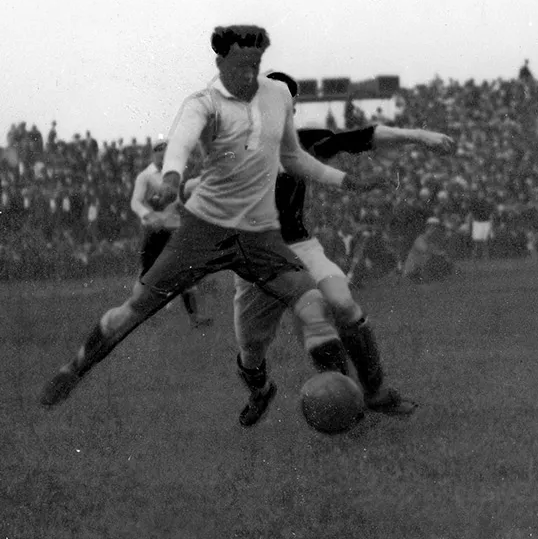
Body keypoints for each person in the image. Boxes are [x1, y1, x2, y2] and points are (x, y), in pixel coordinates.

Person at [39, 25, 387, 413]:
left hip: (257, 235)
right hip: (205, 230)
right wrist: (172, 175)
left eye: (255, 59)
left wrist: (347, 179)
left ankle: (343, 399)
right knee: (135, 309)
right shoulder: (205, 102)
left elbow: (297, 156)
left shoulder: (274, 105)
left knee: (311, 300)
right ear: (222, 63)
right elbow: (183, 139)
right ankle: (76, 367)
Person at [228, 71, 455, 427]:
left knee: (341, 305)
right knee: (251, 350)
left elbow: (359, 138)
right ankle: (260, 391)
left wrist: (418, 136)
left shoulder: (302, 143)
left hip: (300, 246)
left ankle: (368, 396)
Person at [129, 141, 213, 328]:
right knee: (147, 275)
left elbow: (178, 200)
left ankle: (195, 318)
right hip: (154, 232)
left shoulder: (173, 177)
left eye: (165, 153)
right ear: (153, 155)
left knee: (184, 272)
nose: (162, 156)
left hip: (173, 230)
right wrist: (149, 215)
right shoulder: (145, 176)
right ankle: (134, 316)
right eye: (158, 153)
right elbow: (135, 202)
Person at [402, 217, 455, 283]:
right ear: (428, 228)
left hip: (423, 272)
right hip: (412, 273)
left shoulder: (434, 241)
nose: (437, 230)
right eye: (434, 227)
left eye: (437, 228)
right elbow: (426, 250)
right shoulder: (420, 239)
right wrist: (441, 253)